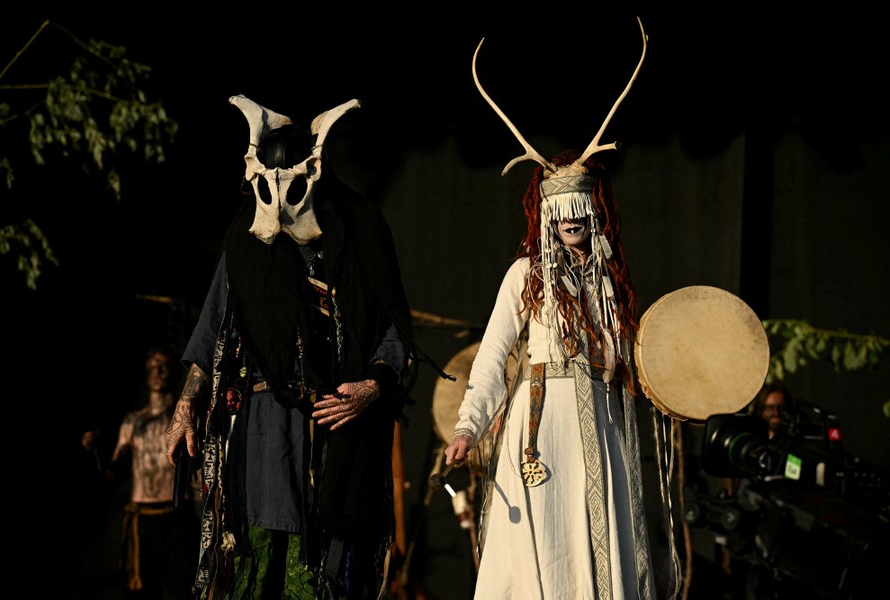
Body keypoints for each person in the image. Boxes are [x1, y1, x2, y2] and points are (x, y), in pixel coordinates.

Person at [165, 95, 428, 599]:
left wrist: (372, 386)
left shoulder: (360, 232)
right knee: (255, 559)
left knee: (326, 566)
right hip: (262, 429)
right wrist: (184, 406)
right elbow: (212, 327)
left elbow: (396, 332)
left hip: (335, 432)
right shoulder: (245, 242)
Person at [443, 20, 667, 600]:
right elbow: (494, 354)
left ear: (595, 212)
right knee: (546, 542)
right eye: (560, 209)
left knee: (602, 542)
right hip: (542, 430)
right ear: (545, 213)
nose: (570, 219)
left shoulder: (608, 284)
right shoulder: (526, 276)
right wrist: (469, 425)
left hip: (602, 421)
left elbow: (631, 359)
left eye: (579, 208)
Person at [83, 344, 201, 599]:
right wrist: (97, 452)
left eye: (163, 367)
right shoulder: (133, 421)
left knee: (182, 588)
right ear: (146, 375)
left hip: (176, 518)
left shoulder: (185, 417)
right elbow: (116, 470)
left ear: (172, 370)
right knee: (141, 592)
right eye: (152, 368)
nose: (157, 372)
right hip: (143, 519)